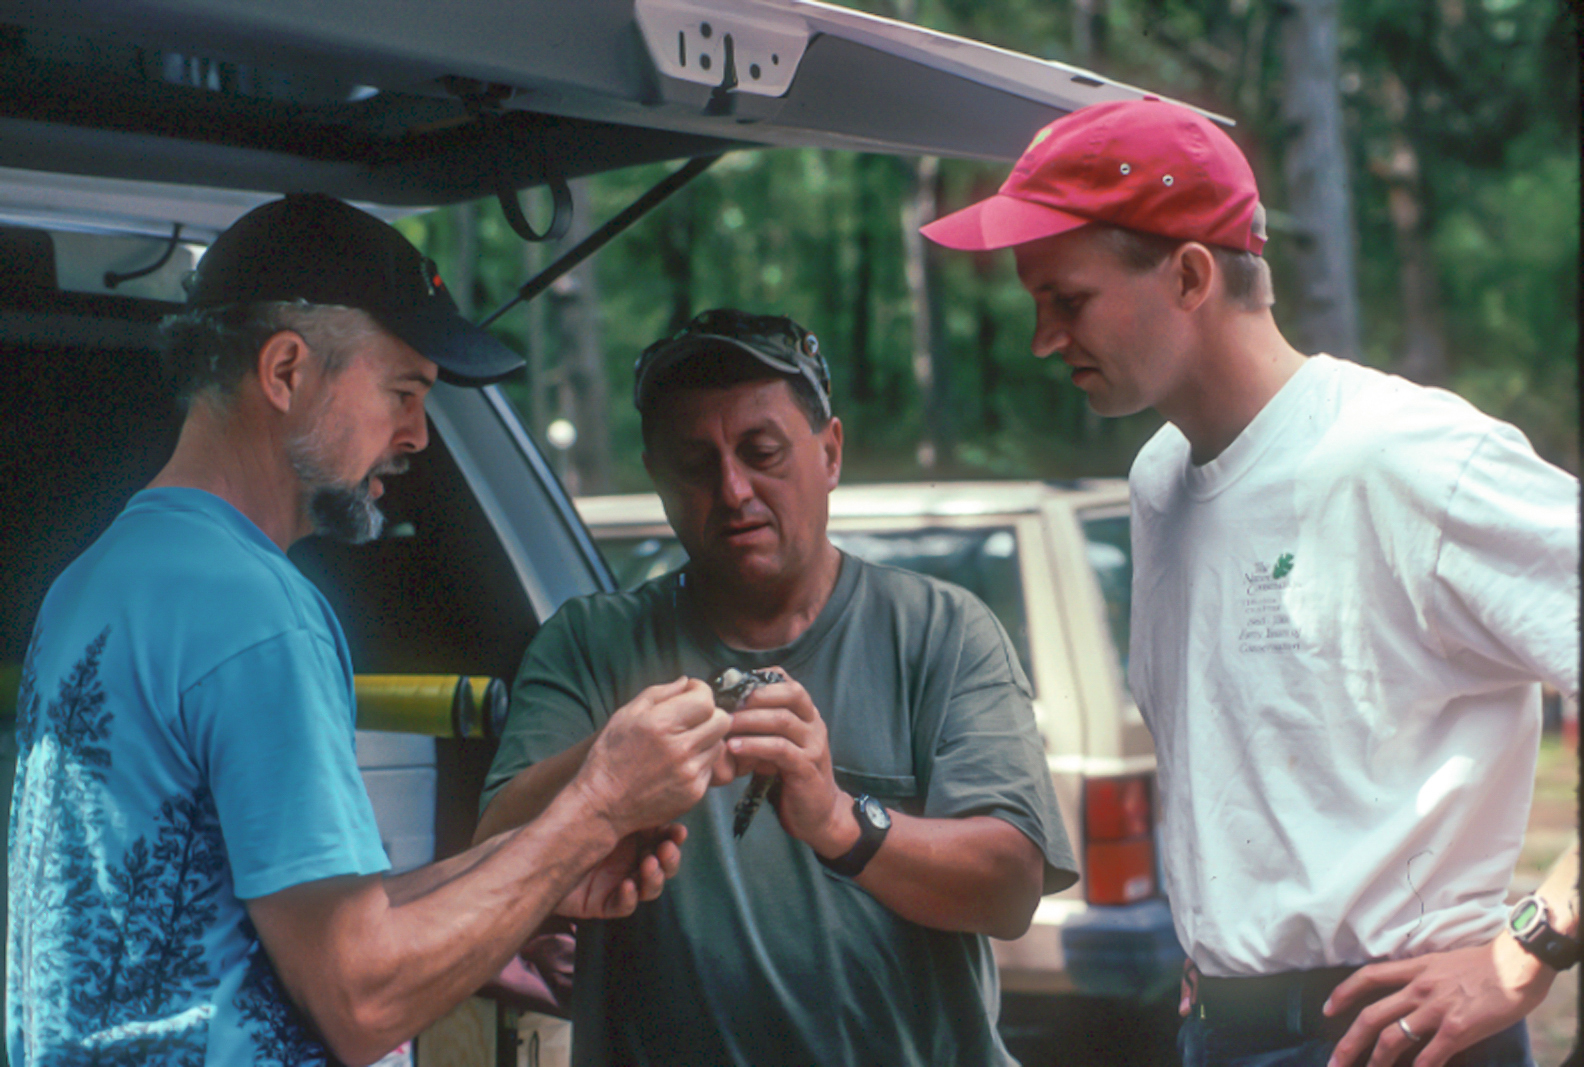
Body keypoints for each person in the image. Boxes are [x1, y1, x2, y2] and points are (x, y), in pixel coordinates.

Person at [922, 97, 1579, 1067]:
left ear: (1190, 273)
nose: (1042, 339)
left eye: (1067, 300)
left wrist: (1534, 943)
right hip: (1212, 1022)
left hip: (1392, 1028)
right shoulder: (1157, 480)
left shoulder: (1404, 457)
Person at [7, 194, 732, 1067]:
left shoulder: (93, 580)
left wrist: (529, 876)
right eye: (401, 391)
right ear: (285, 371)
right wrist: (597, 805)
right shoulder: (258, 612)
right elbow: (360, 995)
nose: (418, 435)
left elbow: (297, 919)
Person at [476, 308, 1077, 1066]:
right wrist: (609, 764)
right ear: (658, 476)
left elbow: (1011, 887)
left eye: (763, 452)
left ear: (830, 453)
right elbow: (492, 855)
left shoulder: (940, 630)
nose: (733, 489)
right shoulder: (591, 644)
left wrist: (840, 820)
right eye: (695, 464)